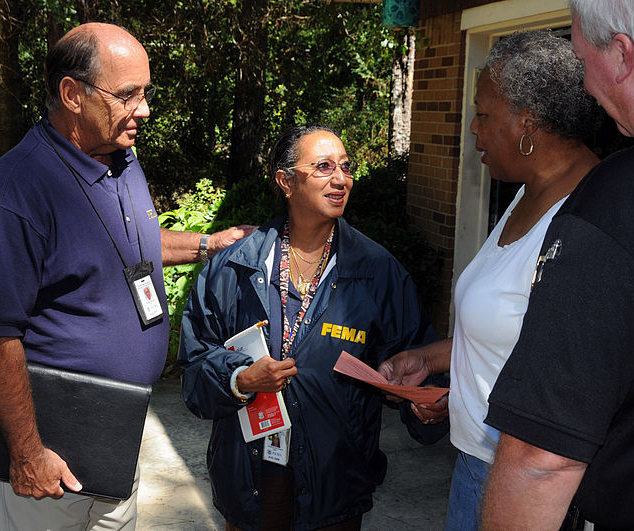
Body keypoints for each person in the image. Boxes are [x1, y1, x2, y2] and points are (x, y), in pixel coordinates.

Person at [0, 23, 252, 531]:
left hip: (114, 435)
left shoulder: (120, 158)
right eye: (127, 95)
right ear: (72, 94)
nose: (144, 110)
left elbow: (125, 246)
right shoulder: (15, 194)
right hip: (48, 450)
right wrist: (28, 453)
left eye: (146, 93)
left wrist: (209, 243)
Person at [377, 30, 601, 530]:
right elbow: (512, 333)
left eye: (483, 112)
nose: (473, 128)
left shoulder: (588, 222)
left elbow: (575, 379)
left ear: (529, 123)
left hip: (528, 486)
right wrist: (431, 361)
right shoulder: (526, 195)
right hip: (477, 460)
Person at [178, 124, 445, 530]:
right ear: (286, 181)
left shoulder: (377, 272)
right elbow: (195, 375)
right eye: (323, 167)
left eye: (345, 166)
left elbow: (416, 362)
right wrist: (240, 380)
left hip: (335, 482)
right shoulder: (233, 268)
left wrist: (424, 406)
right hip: (250, 478)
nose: (340, 179)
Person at [481, 2, 634, 529]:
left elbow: (541, 462)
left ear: (621, 56)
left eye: (582, 57)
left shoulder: (604, 211)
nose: (585, 84)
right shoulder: (522, 203)